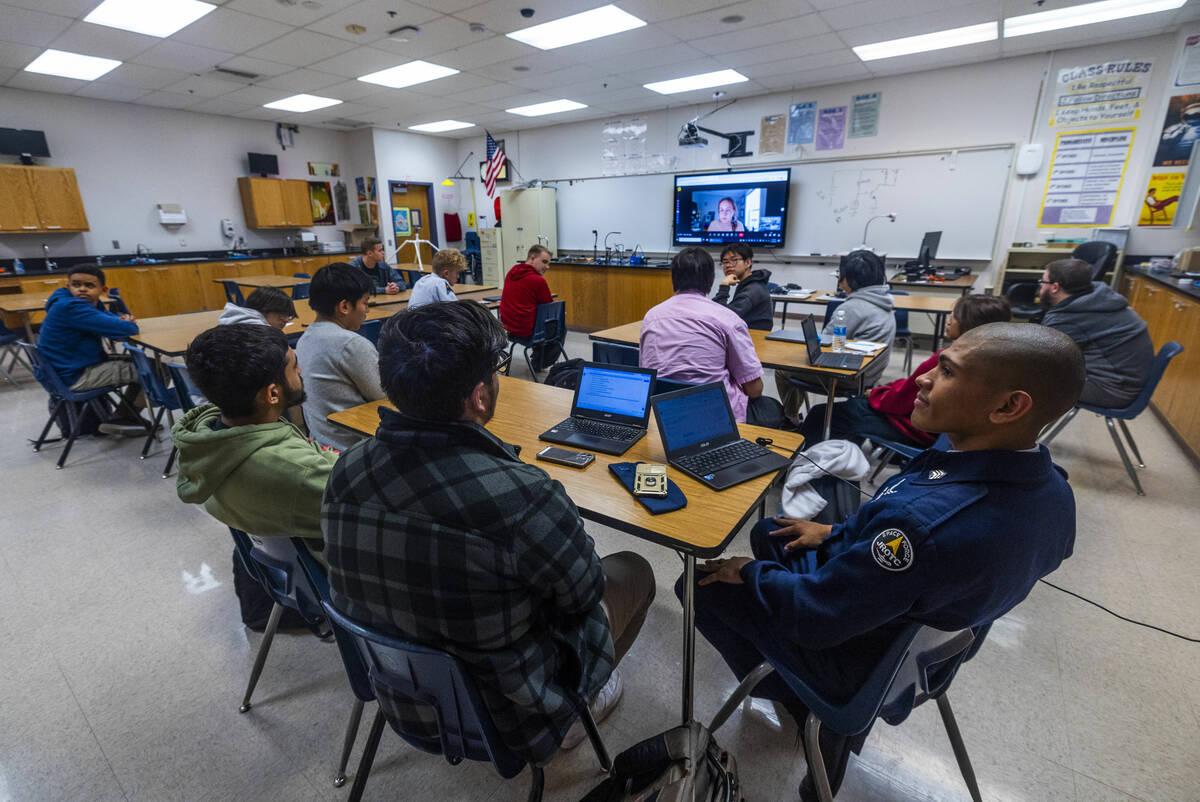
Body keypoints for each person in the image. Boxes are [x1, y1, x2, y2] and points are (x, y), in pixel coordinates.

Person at [686, 322, 1085, 799]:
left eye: (948, 371)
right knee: (774, 532)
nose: (922, 377)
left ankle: (804, 704)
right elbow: (890, 538)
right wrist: (835, 531)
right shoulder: (1052, 491)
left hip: (863, 655)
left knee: (702, 585)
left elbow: (816, 615)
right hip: (918, 628)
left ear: (1007, 406)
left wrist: (748, 572)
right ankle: (800, 688)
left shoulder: (920, 528)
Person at [322, 300, 655, 764]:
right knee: (633, 569)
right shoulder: (524, 496)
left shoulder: (347, 470)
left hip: (401, 695)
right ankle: (580, 709)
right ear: (480, 397)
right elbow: (583, 594)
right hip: (513, 719)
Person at [174, 323, 338, 559]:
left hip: (263, 559)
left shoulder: (204, 444)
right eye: (294, 367)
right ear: (272, 394)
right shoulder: (301, 473)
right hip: (331, 574)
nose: (300, 370)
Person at [799, 294, 1012, 446]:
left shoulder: (946, 359)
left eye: (954, 316)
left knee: (824, 413)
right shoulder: (993, 360)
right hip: (943, 430)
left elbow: (899, 402)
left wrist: (875, 393)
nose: (948, 320)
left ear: (969, 324)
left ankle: (803, 465)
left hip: (917, 427)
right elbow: (910, 389)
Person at [640, 247, 783, 427]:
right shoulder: (727, 319)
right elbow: (754, 390)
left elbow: (648, 370)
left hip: (665, 415)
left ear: (672, 279)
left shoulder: (651, 317)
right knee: (774, 408)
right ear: (712, 279)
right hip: (716, 417)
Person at [776, 250, 896, 422]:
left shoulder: (851, 308)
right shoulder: (883, 300)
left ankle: (790, 419)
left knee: (784, 368)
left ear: (848, 279)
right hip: (871, 374)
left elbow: (825, 343)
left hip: (849, 377)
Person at [37, 265, 145, 434]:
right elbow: (127, 330)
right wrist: (126, 323)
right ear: (68, 286)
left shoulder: (78, 303)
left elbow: (106, 320)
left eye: (89, 286)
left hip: (64, 371)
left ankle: (125, 416)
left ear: (103, 290)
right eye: (76, 284)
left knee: (144, 362)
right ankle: (124, 418)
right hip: (75, 376)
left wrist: (120, 320)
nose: (82, 289)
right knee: (153, 369)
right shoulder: (71, 307)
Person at [1038, 258, 1153, 408]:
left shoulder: (1066, 318)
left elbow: (1039, 357)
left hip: (1112, 390)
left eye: (1043, 281)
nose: (1040, 285)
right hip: (1127, 379)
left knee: (1028, 379)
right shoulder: (1099, 296)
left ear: (1055, 287)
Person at [295, 262, 386, 451]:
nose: (367, 310)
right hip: (355, 447)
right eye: (365, 302)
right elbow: (385, 395)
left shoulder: (305, 338)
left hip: (321, 444)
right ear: (344, 306)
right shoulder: (349, 343)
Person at [713, 243, 774, 330]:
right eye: (725, 262)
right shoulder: (749, 284)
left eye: (734, 260)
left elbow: (724, 317)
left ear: (748, 262)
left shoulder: (753, 289)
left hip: (753, 338)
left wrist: (724, 286)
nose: (728, 265)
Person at [499, 244, 553, 339]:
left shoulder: (512, 272)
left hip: (507, 328)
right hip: (525, 331)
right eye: (544, 262)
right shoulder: (538, 281)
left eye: (548, 263)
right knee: (559, 327)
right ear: (532, 258)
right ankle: (540, 354)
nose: (547, 267)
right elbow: (549, 308)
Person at [217, 286, 297, 330]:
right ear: (262, 309)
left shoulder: (227, 325)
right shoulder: (262, 337)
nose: (286, 320)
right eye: (281, 314)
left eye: (289, 316)